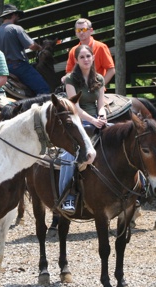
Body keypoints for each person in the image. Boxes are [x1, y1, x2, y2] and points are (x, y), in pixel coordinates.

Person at [58, 44, 107, 213]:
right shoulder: (71, 79)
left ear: (93, 58)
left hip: (96, 120)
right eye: (82, 57)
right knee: (68, 153)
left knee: (125, 136)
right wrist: (93, 120)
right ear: (76, 61)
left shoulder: (99, 79)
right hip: (78, 122)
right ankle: (67, 197)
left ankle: (138, 188)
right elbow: (75, 107)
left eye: (88, 56)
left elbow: (101, 104)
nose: (86, 59)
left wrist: (102, 116)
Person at [0, 4, 50, 96]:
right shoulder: (16, 28)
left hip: (4, 69)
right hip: (19, 66)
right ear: (13, 15)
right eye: (17, 15)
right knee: (44, 89)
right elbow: (31, 45)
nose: (18, 17)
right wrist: (39, 48)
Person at [63, 18, 115, 86]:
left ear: (91, 30)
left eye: (84, 29)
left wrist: (100, 86)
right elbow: (69, 72)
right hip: (79, 90)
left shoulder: (101, 47)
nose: (81, 32)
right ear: (75, 33)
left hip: (96, 90)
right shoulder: (73, 50)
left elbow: (111, 70)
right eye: (78, 30)